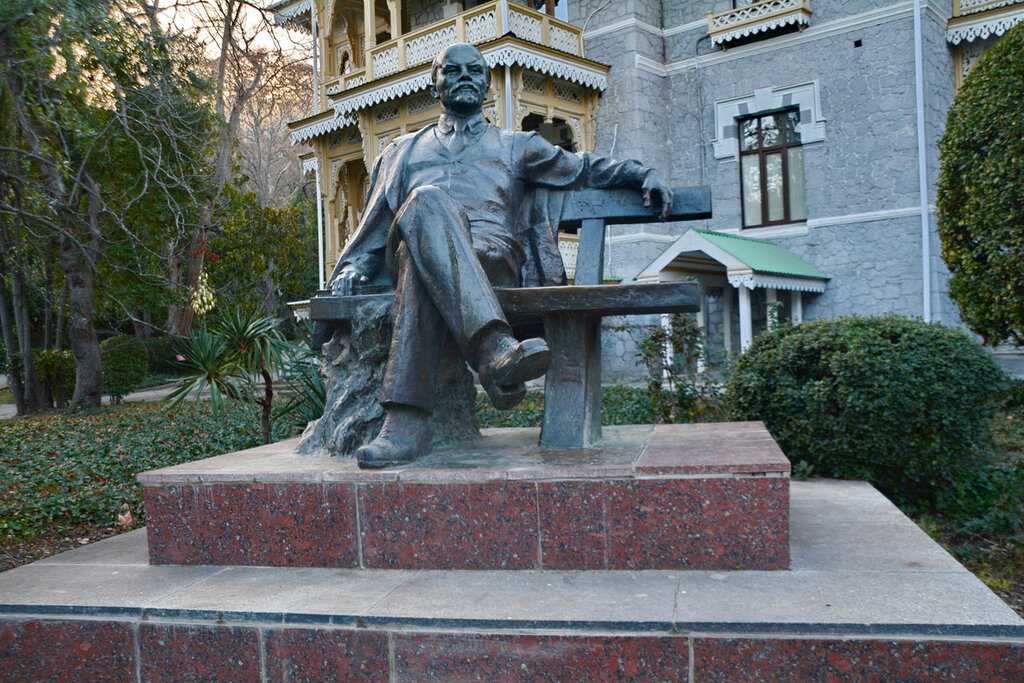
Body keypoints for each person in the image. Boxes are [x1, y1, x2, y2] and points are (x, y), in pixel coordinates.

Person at [325, 43, 672, 468]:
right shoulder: (402, 151)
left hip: (493, 260)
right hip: (411, 245)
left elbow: (584, 167)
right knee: (426, 205)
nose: (465, 76)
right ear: (435, 85)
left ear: (488, 84)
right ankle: (494, 352)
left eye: (475, 70)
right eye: (452, 71)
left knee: (423, 265)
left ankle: (405, 425)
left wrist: (642, 172)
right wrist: (356, 267)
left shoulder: (516, 145)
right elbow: (376, 225)